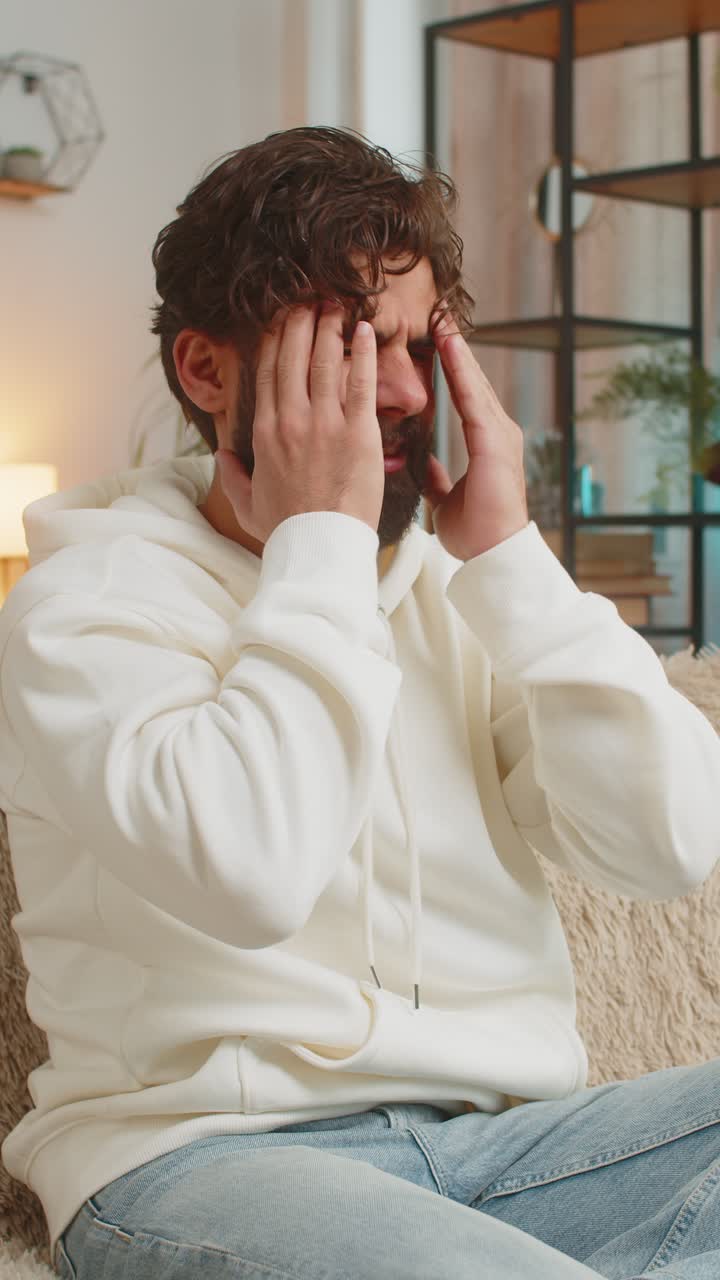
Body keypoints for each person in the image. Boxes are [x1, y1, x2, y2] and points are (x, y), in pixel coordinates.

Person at [0, 126, 719, 1280]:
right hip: (208, 1162)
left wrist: (514, 559)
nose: (395, 391)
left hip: (515, 1150)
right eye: (344, 346)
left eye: (414, 345)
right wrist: (322, 539)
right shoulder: (83, 605)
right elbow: (253, 868)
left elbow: (673, 843)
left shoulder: (451, 585)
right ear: (205, 368)